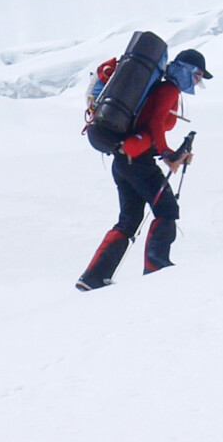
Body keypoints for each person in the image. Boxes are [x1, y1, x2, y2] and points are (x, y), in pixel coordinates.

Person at [77, 47, 209, 289]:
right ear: (186, 70)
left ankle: (93, 276)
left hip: (123, 160)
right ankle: (156, 265)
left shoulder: (157, 88)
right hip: (138, 162)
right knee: (167, 208)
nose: (196, 82)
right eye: (197, 76)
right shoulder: (169, 89)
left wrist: (171, 154)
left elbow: (145, 129)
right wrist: (167, 153)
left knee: (129, 220)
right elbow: (156, 123)